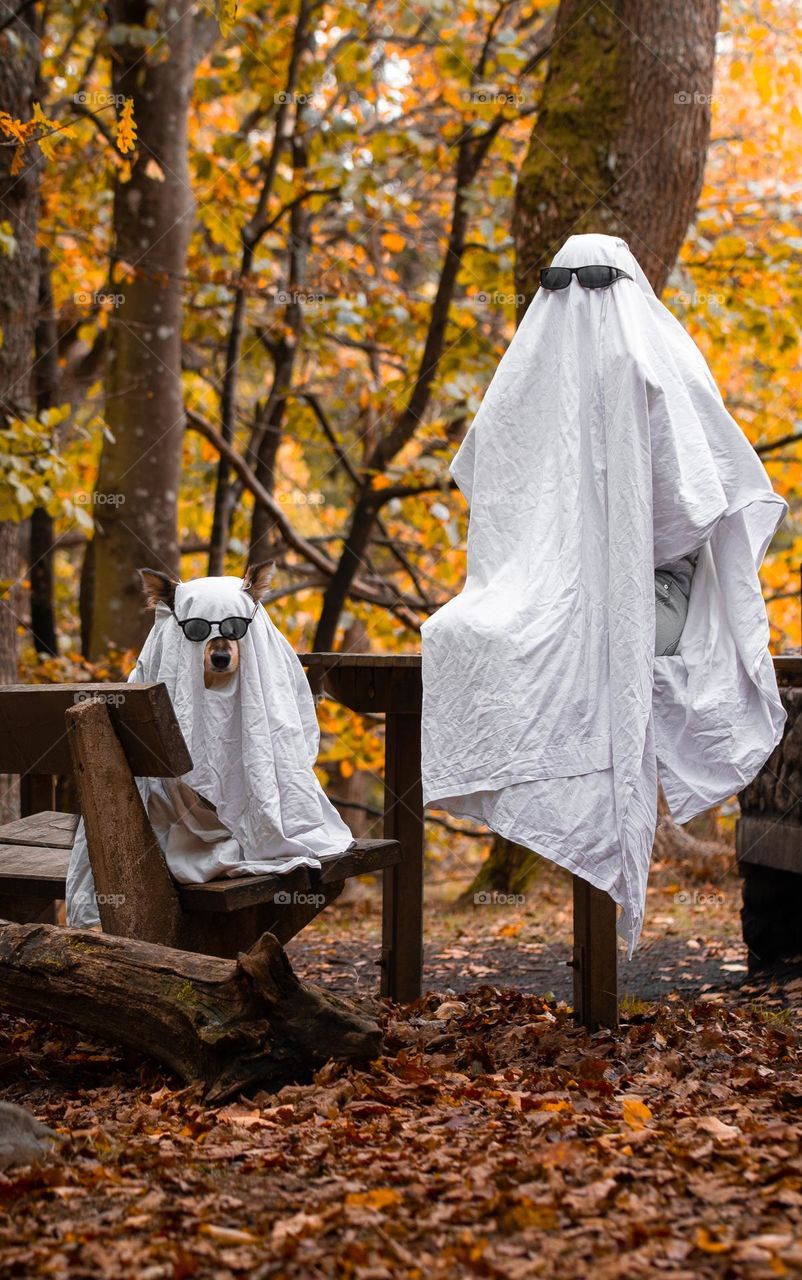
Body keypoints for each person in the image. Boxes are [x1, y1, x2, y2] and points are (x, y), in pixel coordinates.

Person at [421, 233, 787, 952]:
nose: (578, 302)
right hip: (548, 585)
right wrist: (564, 563)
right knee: (476, 634)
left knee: (599, 635)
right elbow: (496, 487)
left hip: (659, 589)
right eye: (562, 285)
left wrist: (608, 553)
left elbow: (693, 509)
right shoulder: (529, 377)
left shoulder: (655, 362)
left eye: (589, 283)